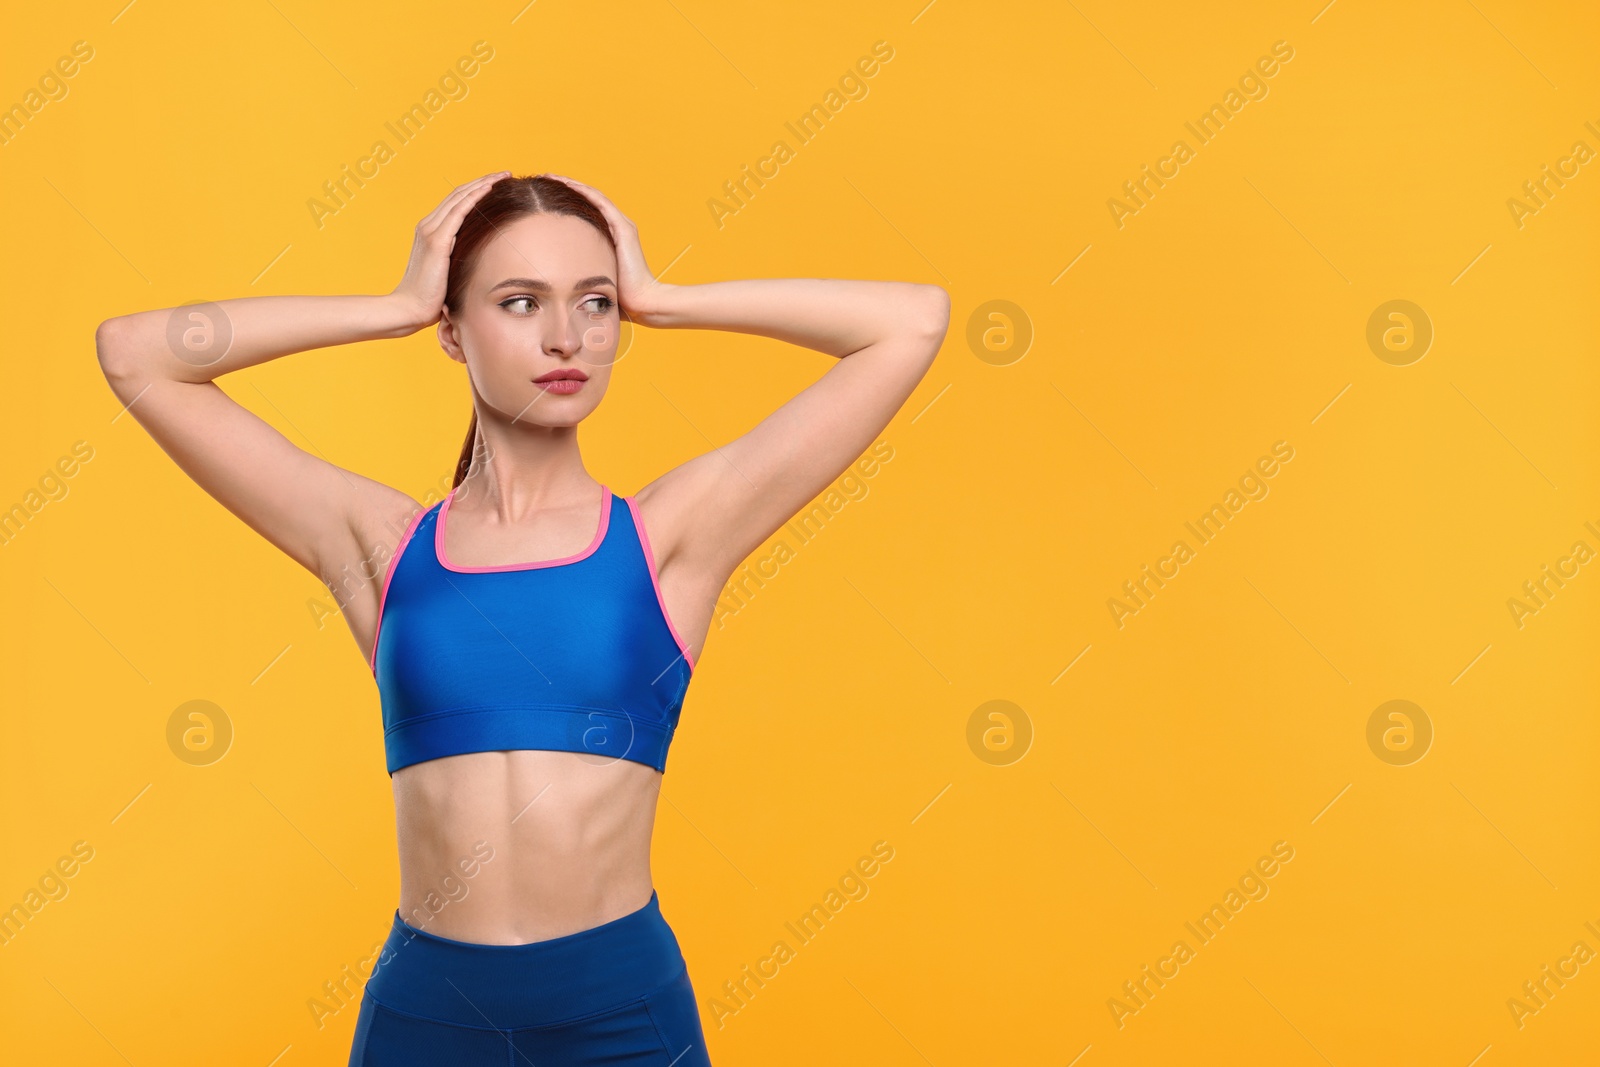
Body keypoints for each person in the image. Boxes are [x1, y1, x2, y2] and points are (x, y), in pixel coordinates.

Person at [94, 170, 950, 1065]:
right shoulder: (383, 549)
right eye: (519, 302)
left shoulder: (669, 538)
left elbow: (912, 321)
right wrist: (392, 308)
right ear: (454, 333)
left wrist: (664, 296)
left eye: (594, 303)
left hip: (621, 1017)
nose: (565, 336)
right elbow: (136, 353)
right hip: (427, 1017)